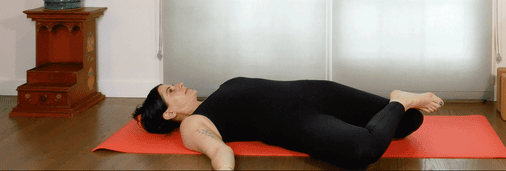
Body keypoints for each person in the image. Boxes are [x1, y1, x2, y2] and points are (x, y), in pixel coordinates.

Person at [132, 77, 444, 170]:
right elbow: (218, 152)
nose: (180, 85)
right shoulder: (193, 125)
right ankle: (399, 98)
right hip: (300, 121)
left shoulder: (213, 96)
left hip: (316, 92)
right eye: (171, 91)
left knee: (409, 122)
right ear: (169, 114)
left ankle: (401, 104)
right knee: (364, 150)